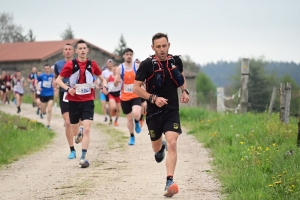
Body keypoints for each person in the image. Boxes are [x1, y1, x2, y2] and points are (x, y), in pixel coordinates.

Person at [133, 33, 189, 197]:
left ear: (169, 45)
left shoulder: (176, 61)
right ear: (153, 48)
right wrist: (153, 98)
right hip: (153, 112)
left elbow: (181, 77)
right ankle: (160, 148)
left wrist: (184, 91)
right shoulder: (146, 65)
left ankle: (169, 181)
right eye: (158, 47)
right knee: (157, 148)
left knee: (172, 143)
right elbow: (136, 88)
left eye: (164, 46)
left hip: (171, 110)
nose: (162, 49)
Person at [56, 40, 107, 168]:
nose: (83, 50)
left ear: (87, 50)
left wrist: (104, 87)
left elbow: (102, 79)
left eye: (85, 48)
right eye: (80, 48)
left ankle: (83, 157)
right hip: (73, 102)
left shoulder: (92, 64)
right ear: (76, 51)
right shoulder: (70, 65)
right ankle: (79, 134)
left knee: (87, 128)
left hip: (88, 101)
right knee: (75, 133)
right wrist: (68, 89)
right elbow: (58, 80)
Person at [54, 43, 79, 159]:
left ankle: (79, 134)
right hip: (64, 94)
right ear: (63, 52)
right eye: (66, 50)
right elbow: (56, 79)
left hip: (77, 94)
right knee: (68, 122)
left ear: (73, 52)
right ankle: (72, 149)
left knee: (78, 121)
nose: (68, 51)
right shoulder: (58, 65)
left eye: (70, 49)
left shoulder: (79, 63)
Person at [114, 48, 142, 145]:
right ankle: (132, 136)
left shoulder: (137, 66)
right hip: (124, 97)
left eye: (130, 54)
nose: (129, 56)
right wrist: (116, 81)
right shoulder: (120, 68)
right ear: (124, 56)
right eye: (127, 54)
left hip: (135, 95)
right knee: (129, 118)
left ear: (132, 55)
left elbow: (142, 79)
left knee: (137, 113)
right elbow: (115, 84)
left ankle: (137, 121)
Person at [36, 65, 54, 129]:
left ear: (50, 69)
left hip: (50, 94)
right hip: (43, 94)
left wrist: (56, 86)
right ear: (44, 69)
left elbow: (56, 82)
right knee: (44, 111)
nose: (47, 70)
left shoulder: (53, 76)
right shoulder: (41, 76)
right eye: (45, 69)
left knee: (49, 109)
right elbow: (36, 82)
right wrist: (38, 87)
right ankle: (42, 112)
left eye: (48, 68)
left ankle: (48, 124)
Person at [100, 59, 113, 123]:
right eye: (109, 63)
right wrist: (101, 87)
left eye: (111, 63)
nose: (110, 64)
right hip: (104, 89)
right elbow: (100, 80)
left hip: (110, 90)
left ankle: (110, 117)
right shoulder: (104, 72)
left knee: (110, 105)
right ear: (107, 64)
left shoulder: (114, 72)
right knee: (104, 104)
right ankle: (105, 116)